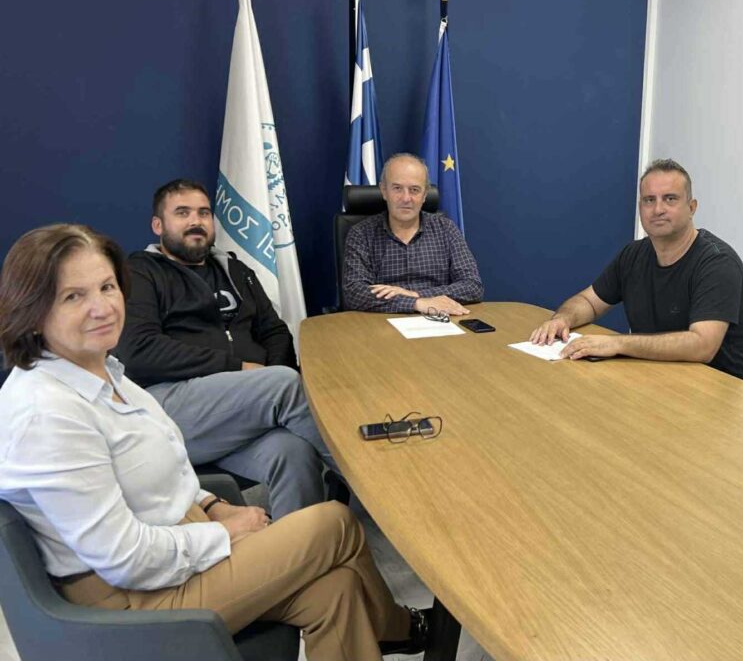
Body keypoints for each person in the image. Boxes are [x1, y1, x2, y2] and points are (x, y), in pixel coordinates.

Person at [0, 223, 428, 660]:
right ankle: (402, 629)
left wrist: (211, 506)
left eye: (107, 287)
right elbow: (124, 559)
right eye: (73, 296)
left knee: (337, 588)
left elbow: (161, 472)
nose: (102, 307)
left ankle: (396, 630)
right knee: (334, 522)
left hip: (172, 549)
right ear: (32, 311)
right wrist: (222, 534)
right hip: (132, 600)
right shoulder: (47, 414)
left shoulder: (102, 370)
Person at [114, 179, 338, 521]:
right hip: (170, 407)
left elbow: (274, 331)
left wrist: (268, 373)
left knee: (293, 452)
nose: (196, 221)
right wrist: (240, 369)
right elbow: (138, 351)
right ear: (158, 225)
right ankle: (374, 485)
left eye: (204, 213)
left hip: (240, 408)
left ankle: (301, 547)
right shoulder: (140, 273)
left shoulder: (235, 269)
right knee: (282, 383)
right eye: (182, 213)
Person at [529, 159, 743, 383]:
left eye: (670, 199)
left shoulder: (717, 263)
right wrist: (563, 319)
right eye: (649, 200)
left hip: (726, 389)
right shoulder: (633, 255)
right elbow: (589, 302)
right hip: (662, 379)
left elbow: (703, 346)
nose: (658, 209)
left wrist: (618, 343)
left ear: (691, 208)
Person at [343, 153, 483, 315]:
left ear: (425, 195)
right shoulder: (361, 234)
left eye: (414, 190)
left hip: (439, 320)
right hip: (382, 322)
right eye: (397, 188)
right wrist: (416, 303)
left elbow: (473, 286)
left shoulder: (446, 229)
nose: (406, 198)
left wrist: (416, 295)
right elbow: (354, 293)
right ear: (384, 191)